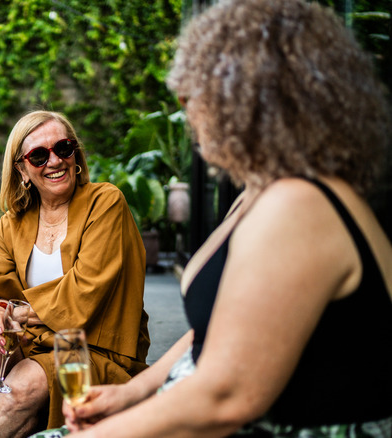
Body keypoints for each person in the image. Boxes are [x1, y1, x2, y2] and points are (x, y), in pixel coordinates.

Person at [62, 0, 392, 436]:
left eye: (194, 95)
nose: (188, 116)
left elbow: (225, 398)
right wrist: (133, 391)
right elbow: (221, 324)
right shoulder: (267, 192)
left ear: (247, 99)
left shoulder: (299, 206)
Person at [0, 110, 151, 438]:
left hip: (90, 349)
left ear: (75, 155)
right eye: (39, 155)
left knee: (22, 384)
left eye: (63, 148)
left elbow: (83, 295)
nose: (54, 161)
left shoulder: (105, 202)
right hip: (37, 343)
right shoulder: (14, 221)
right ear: (22, 169)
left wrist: (17, 313)